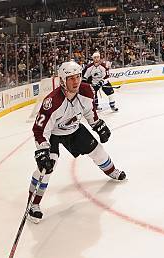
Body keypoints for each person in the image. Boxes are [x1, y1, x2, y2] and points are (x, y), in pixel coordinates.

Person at [27, 61, 127, 223]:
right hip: (53, 134)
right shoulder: (52, 102)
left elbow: (90, 112)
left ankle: (112, 171)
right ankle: (33, 204)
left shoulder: (87, 91)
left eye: (78, 77)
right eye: (71, 78)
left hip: (73, 128)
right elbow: (40, 130)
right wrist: (42, 150)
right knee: (47, 166)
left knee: (98, 151)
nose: (76, 81)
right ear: (62, 80)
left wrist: (98, 125)